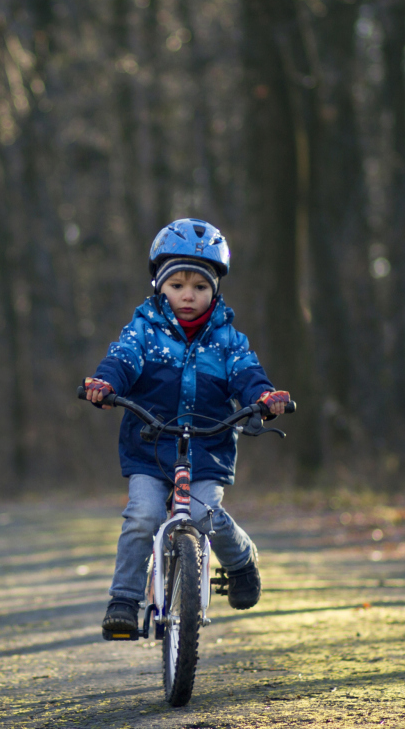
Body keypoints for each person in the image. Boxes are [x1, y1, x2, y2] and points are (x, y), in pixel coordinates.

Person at [83, 218, 291, 640]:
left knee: (203, 515)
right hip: (151, 444)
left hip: (207, 445)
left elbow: (246, 374)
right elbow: (123, 360)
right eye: (177, 285)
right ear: (160, 286)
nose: (188, 295)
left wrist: (265, 397)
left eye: (199, 286)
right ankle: (123, 600)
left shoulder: (227, 340)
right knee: (142, 516)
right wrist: (106, 383)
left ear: (214, 290)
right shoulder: (143, 330)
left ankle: (241, 561)